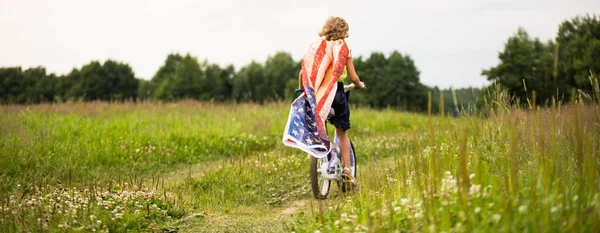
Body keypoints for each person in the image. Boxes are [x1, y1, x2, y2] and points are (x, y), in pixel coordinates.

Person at [298, 16, 365, 186]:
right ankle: (347, 170)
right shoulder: (344, 49)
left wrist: (303, 89)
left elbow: (303, 72)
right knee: (342, 131)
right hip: (338, 93)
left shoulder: (319, 48)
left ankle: (319, 149)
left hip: (320, 94)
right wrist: (358, 84)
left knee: (320, 122)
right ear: (344, 31)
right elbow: (353, 76)